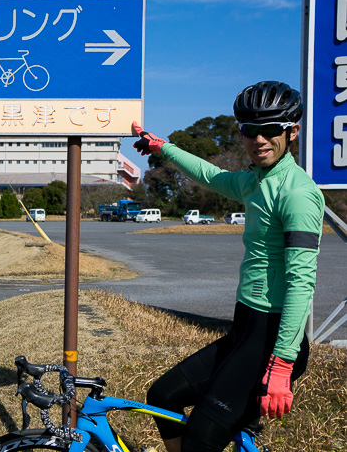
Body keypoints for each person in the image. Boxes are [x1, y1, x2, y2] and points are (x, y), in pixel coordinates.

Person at [132, 81, 325, 452]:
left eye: (270, 129)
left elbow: (302, 282)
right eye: (250, 130)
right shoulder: (256, 181)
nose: (260, 139)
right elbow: (210, 175)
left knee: (199, 443)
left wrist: (282, 366)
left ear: (293, 131)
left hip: (271, 340)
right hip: (245, 330)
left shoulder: (297, 193)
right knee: (162, 396)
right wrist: (163, 147)